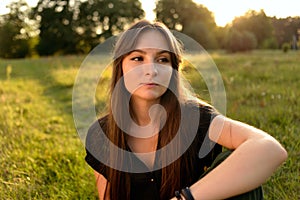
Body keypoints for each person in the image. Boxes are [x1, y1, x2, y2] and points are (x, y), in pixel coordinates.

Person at [84, 20, 287, 200]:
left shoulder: (195, 118)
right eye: (137, 58)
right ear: (120, 67)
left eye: (163, 59)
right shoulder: (100, 134)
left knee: (238, 175)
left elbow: (270, 149)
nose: (151, 70)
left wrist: (185, 198)